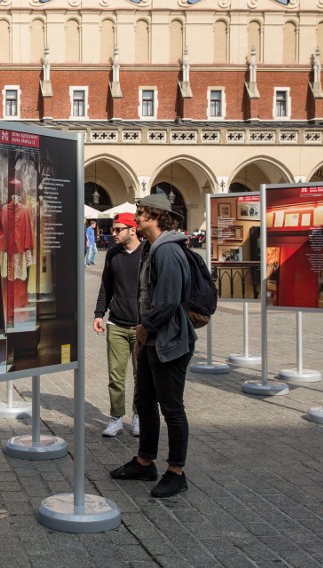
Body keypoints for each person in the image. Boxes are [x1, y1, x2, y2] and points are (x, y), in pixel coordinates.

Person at [110, 193, 197, 499]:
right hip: (152, 338)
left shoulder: (168, 252)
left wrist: (146, 328)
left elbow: (169, 300)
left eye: (142, 213)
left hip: (169, 340)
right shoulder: (151, 248)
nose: (137, 217)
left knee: (171, 407)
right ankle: (145, 461)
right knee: (145, 400)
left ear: (157, 216)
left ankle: (176, 472)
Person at [93, 213, 143, 438]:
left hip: (142, 327)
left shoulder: (148, 253)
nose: (112, 233)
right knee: (116, 376)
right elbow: (106, 286)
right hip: (116, 324)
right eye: (113, 229)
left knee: (141, 375)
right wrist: (99, 313)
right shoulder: (113, 254)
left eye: (118, 229)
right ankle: (115, 418)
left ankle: (138, 414)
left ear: (132, 230)